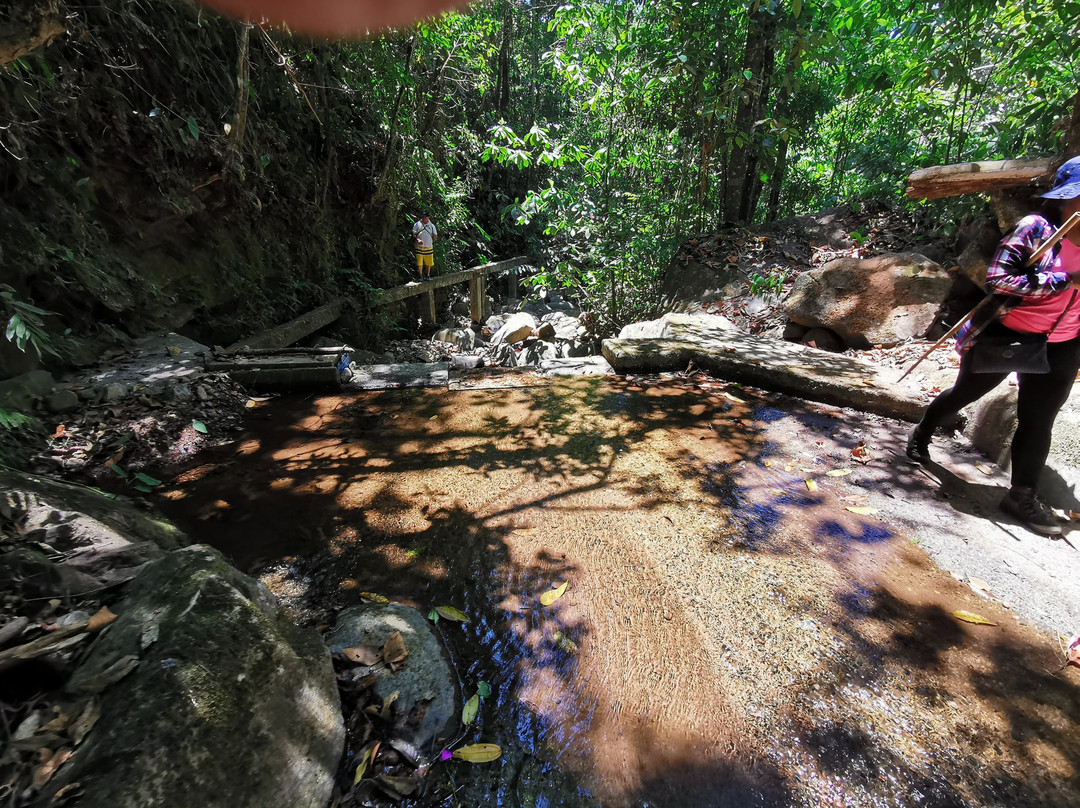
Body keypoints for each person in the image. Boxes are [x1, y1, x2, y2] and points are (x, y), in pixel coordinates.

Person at [906, 156, 1080, 536]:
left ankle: (1021, 496)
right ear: (1067, 199)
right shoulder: (1036, 229)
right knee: (966, 393)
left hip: (1063, 343)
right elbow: (999, 279)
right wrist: (1063, 280)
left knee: (1039, 419)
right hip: (1007, 333)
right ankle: (924, 429)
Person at [412, 212, 438, 280]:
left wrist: (435, 236)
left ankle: (428, 275)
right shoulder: (417, 224)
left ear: (428, 217)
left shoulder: (432, 226)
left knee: (428, 262)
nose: (424, 218)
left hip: (429, 246)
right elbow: (414, 234)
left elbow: (435, 235)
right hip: (419, 246)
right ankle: (420, 276)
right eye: (423, 217)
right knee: (419, 262)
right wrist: (418, 240)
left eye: (425, 217)